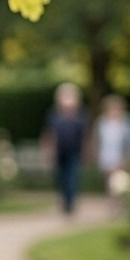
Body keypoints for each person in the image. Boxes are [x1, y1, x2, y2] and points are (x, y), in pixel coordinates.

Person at [43, 83, 88, 214]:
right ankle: (64, 200)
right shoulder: (54, 115)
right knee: (61, 178)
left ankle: (70, 203)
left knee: (72, 177)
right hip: (59, 153)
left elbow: (85, 136)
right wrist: (48, 151)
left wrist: (86, 151)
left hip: (74, 152)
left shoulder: (80, 116)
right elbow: (49, 134)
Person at [95, 94, 130, 176]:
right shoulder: (101, 123)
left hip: (123, 160)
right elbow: (97, 141)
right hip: (105, 160)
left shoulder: (128, 123)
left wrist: (127, 159)